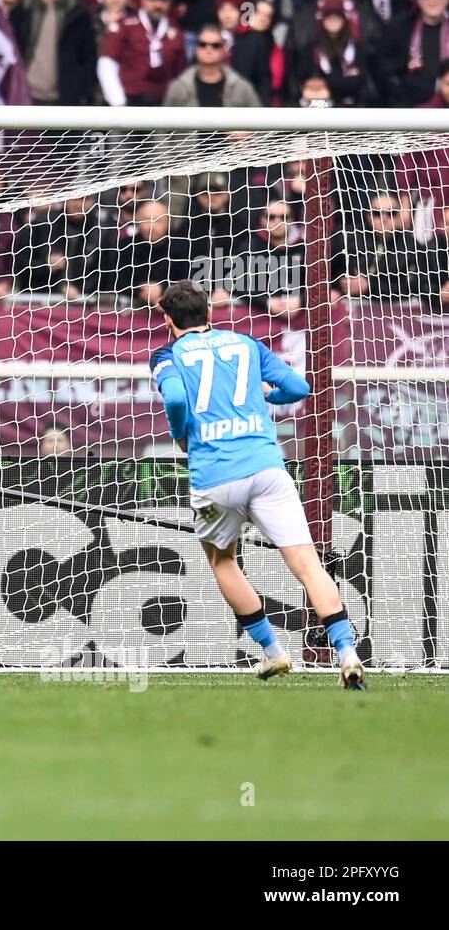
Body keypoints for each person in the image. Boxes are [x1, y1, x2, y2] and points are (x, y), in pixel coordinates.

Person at [149, 279, 365, 689]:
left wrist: (183, 435)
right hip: (268, 470)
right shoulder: (246, 343)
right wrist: (270, 399)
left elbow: (176, 400)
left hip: (215, 482)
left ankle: (272, 653)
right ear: (210, 314)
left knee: (223, 561)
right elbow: (299, 388)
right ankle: (347, 652)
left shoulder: (166, 354)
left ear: (166, 318)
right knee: (307, 564)